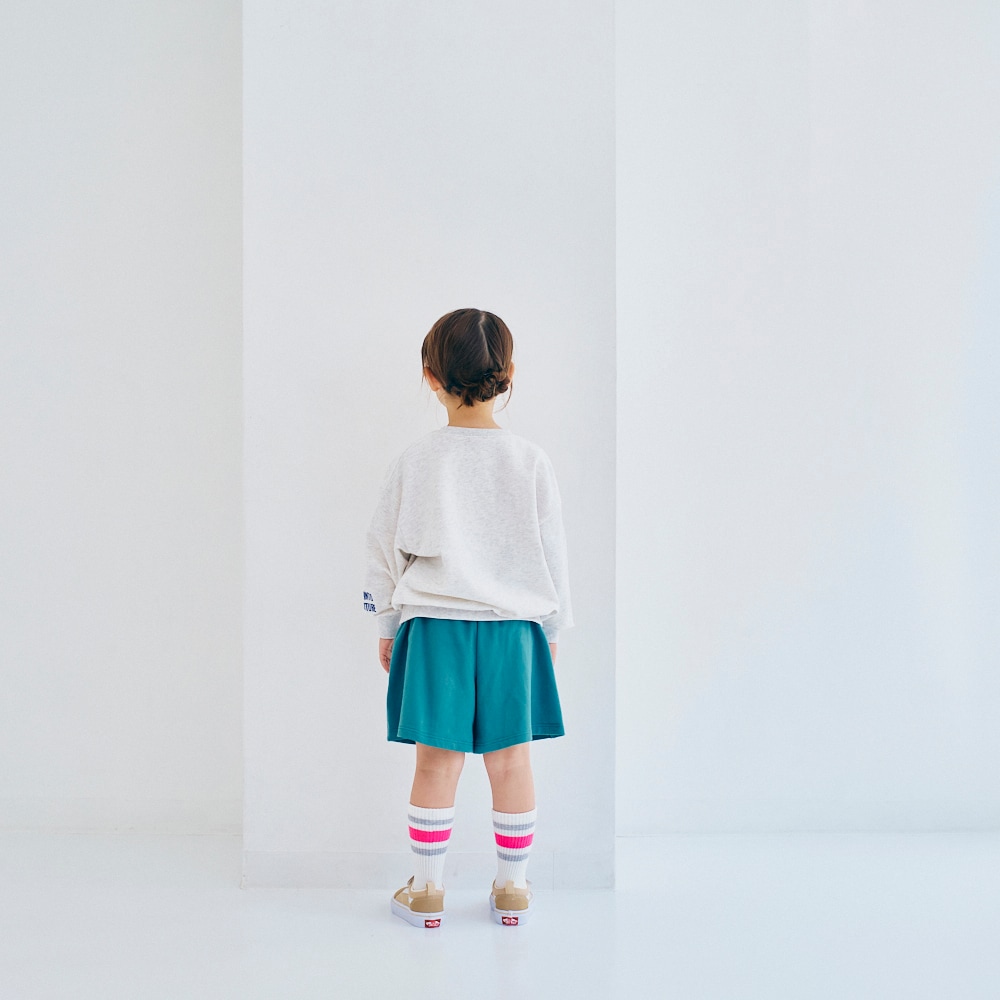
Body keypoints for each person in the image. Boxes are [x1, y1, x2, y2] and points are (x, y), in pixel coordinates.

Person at [363, 307, 573, 928]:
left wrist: (386, 625)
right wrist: (551, 631)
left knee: (436, 762)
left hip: (434, 628)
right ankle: (513, 889)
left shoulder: (415, 460)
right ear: (508, 374)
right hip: (514, 632)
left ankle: (427, 890)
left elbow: (382, 550)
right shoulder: (530, 460)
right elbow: (554, 555)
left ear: (431, 376)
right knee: (512, 762)